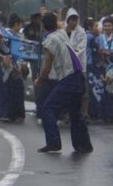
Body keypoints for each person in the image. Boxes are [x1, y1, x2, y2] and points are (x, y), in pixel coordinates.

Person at [34, 13, 92, 154]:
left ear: (43, 26)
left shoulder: (50, 39)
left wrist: (40, 80)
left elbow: (47, 66)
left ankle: (53, 143)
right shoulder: (62, 34)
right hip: (78, 76)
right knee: (75, 112)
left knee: (47, 108)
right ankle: (83, 145)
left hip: (68, 78)